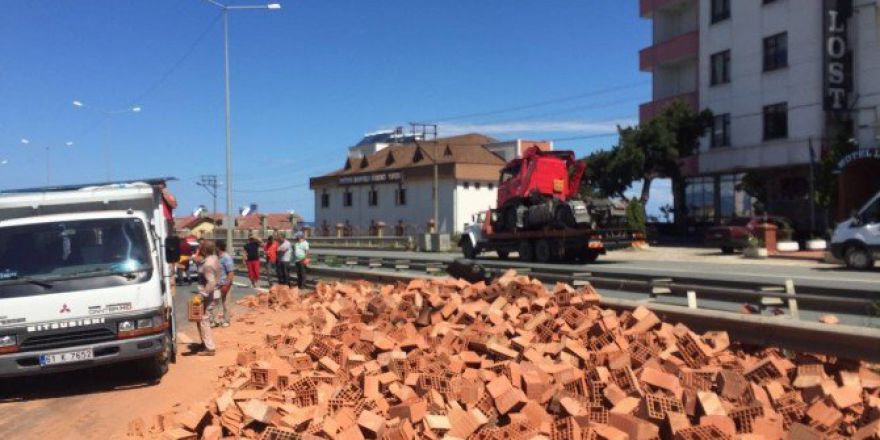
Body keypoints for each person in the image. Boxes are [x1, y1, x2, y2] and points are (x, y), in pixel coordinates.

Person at [194, 240, 219, 356]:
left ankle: (209, 347)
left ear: (204, 250)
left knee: (204, 319)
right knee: (201, 318)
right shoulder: (214, 258)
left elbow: (211, 282)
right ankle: (204, 342)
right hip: (215, 292)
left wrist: (201, 295)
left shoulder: (207, 264)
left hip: (209, 293)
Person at [214, 240, 235, 327]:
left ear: (218, 247)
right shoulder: (216, 257)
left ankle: (226, 320)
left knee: (226, 303)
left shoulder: (226, 257)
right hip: (217, 284)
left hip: (225, 284)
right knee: (214, 302)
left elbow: (230, 273)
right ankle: (214, 321)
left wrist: (226, 285)